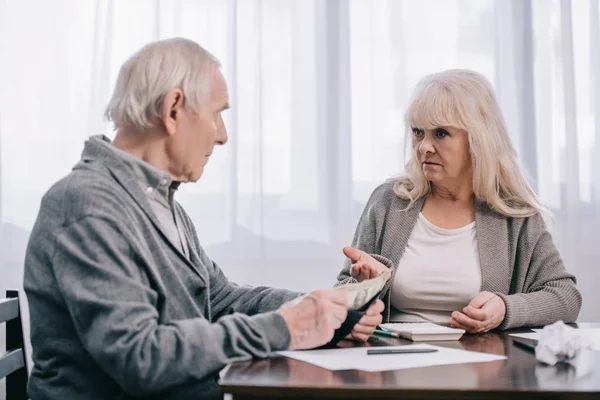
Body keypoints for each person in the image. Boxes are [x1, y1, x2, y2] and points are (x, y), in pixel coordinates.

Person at [23, 38, 383, 400]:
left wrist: (321, 311)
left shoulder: (158, 202)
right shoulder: (86, 205)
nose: (223, 135)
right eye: (217, 113)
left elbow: (219, 298)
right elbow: (141, 359)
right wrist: (286, 327)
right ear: (173, 109)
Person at [336, 69, 582, 333]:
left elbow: (566, 297)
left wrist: (505, 309)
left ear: (478, 140)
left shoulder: (513, 214)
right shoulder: (388, 202)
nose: (424, 147)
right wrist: (362, 291)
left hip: (483, 365)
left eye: (440, 133)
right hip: (394, 360)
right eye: (418, 132)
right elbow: (342, 290)